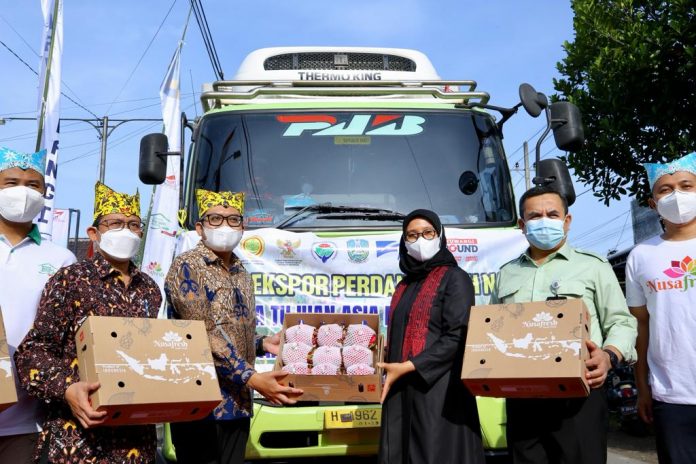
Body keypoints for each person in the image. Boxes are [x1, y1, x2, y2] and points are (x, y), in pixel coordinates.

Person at [14, 181, 161, 463]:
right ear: (94, 233)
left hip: (136, 441)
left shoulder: (150, 289)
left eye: (133, 225)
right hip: (79, 440)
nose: (126, 231)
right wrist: (67, 388)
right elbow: (32, 352)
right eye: (115, 224)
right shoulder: (71, 280)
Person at [491, 185, 637, 464]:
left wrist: (608, 356)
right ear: (522, 225)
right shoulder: (507, 273)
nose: (544, 220)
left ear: (567, 221)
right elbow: (493, 328)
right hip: (523, 398)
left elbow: (622, 322)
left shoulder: (593, 266)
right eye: (535, 216)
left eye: (552, 214)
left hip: (580, 393)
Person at [164, 188, 302, 464]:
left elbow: (229, 329)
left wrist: (261, 343)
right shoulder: (187, 267)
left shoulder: (241, 272)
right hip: (200, 404)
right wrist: (252, 378)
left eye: (233, 219)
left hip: (237, 403)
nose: (225, 226)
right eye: (215, 219)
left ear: (242, 227)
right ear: (200, 228)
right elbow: (201, 334)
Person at [377, 209, 485, 464]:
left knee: (433, 454)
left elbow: (458, 336)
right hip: (401, 390)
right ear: (404, 242)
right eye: (412, 235)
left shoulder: (455, 278)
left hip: (440, 392)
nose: (420, 240)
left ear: (439, 236)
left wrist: (410, 366)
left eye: (428, 233)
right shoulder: (404, 285)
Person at [0, 147, 75, 463]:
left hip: (28, 418)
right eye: (11, 183)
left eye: (33, 185)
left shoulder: (61, 259)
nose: (23, 192)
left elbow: (69, 334)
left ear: (44, 193)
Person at [625, 152, 696, 463]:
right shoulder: (641, 256)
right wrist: (642, 387)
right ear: (653, 204)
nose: (677, 195)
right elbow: (640, 326)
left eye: (686, 186)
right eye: (665, 190)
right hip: (671, 394)